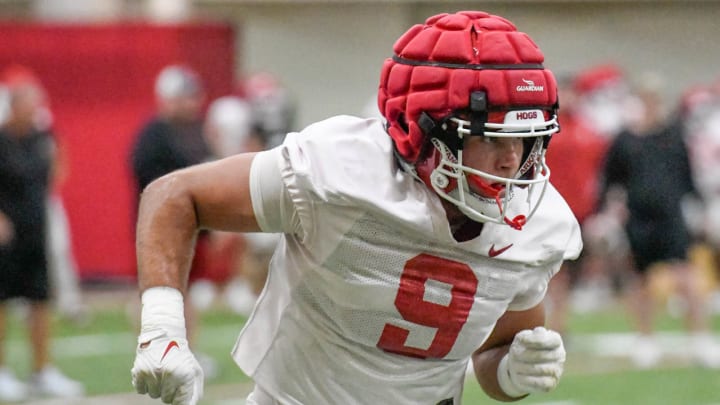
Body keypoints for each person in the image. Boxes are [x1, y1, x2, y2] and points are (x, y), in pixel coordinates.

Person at [131, 11, 581, 405]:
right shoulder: (340, 171)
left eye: (526, 139)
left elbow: (493, 356)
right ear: (424, 133)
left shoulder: (538, 224)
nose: (512, 161)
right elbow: (174, 196)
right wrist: (162, 328)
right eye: (488, 137)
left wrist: (512, 372)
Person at [601, 72, 720, 369]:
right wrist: (608, 211)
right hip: (638, 218)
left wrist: (699, 208)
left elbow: (687, 175)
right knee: (640, 279)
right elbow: (611, 179)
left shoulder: (673, 134)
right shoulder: (625, 139)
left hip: (670, 216)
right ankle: (645, 339)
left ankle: (700, 339)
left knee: (686, 275)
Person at [0, 66, 84, 401]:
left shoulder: (42, 137)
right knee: (2, 300)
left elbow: (54, 170)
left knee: (39, 299)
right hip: (5, 235)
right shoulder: (2, 139)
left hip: (36, 229)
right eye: (29, 102)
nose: (36, 108)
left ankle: (41, 370)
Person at [129, 64, 218, 379]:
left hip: (190, 227)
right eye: (186, 97)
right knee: (160, 293)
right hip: (163, 229)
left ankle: (183, 351)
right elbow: (153, 188)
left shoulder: (194, 132)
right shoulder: (154, 137)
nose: (193, 103)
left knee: (185, 293)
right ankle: (159, 353)